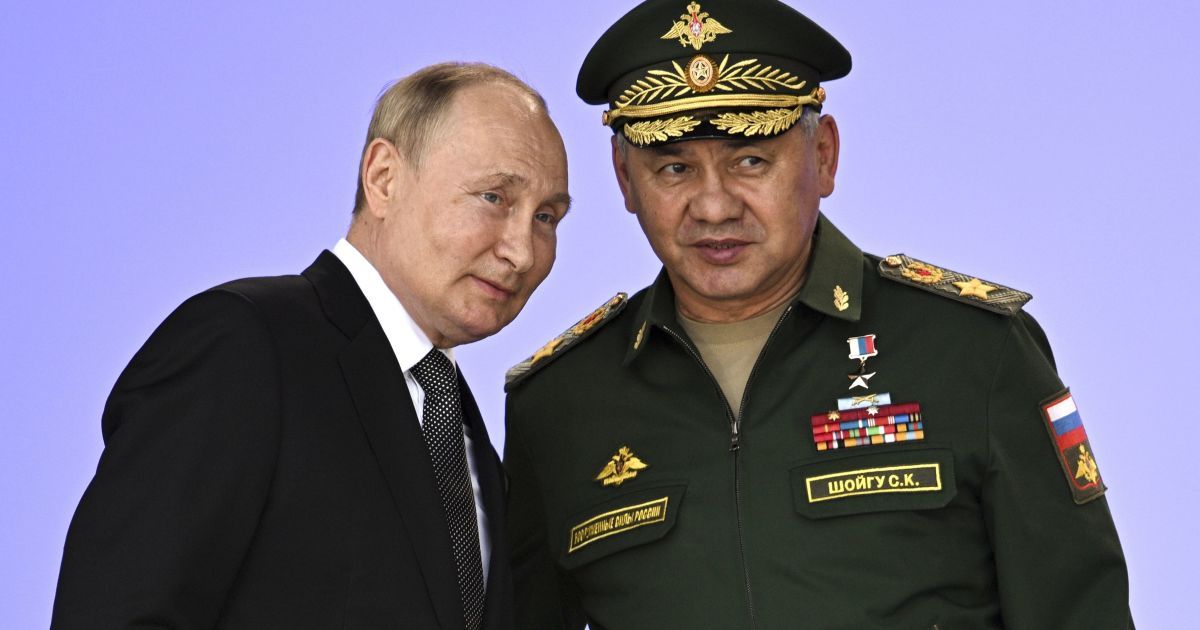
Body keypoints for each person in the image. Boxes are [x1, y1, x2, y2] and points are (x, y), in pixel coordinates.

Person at [502, 1, 1133, 628]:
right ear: (624, 179)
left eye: (751, 160)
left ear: (824, 156)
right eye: (674, 168)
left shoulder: (974, 350)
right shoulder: (560, 404)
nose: (714, 206)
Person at [51, 62, 570, 630]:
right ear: (384, 179)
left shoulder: (464, 433)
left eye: (547, 217)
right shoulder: (243, 345)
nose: (523, 251)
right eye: (494, 197)